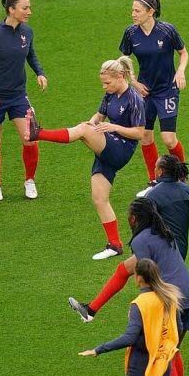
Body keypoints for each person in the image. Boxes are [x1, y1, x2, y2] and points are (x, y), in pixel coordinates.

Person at [70, 198, 189, 376]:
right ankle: (90, 310)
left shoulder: (141, 241)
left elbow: (148, 271)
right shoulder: (162, 230)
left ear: (134, 218)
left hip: (173, 297)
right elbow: (132, 268)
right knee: (172, 350)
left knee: (168, 354)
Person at [25, 56, 145, 260]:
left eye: (107, 82)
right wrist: (91, 125)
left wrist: (113, 127)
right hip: (107, 147)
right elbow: (98, 117)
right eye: (102, 83)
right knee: (99, 199)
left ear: (120, 76)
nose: (104, 86)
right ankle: (115, 245)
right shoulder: (109, 95)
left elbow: (140, 133)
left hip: (121, 149)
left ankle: (40, 133)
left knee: (82, 130)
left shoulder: (135, 98)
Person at [79, 258, 182, 376]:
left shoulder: (139, 304)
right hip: (162, 366)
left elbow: (129, 338)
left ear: (138, 277)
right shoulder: (170, 297)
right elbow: (178, 328)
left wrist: (99, 349)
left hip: (141, 368)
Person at [0, 0, 48, 202]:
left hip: (18, 96)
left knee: (30, 138)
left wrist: (40, 73)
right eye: (25, 8)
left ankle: (30, 181)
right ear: (11, 10)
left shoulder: (27, 32)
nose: (29, 12)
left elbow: (31, 54)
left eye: (29, 7)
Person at [119, 0, 189, 197]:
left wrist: (181, 71)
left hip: (167, 90)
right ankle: (154, 181)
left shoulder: (167, 30)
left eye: (137, 11)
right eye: (132, 10)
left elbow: (183, 52)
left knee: (168, 139)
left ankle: (181, 177)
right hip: (145, 92)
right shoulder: (131, 33)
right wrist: (133, 82)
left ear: (151, 12)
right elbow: (124, 58)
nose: (133, 14)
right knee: (145, 136)